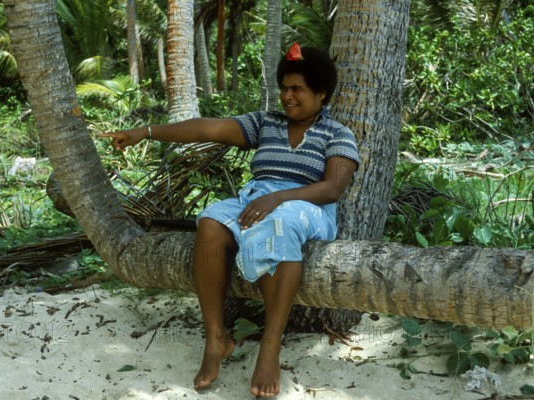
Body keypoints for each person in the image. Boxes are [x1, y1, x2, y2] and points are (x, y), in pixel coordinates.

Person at [100, 42, 359, 398]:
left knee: (278, 224)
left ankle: (270, 348)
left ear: (321, 92)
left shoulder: (338, 134)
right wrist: (145, 132)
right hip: (256, 200)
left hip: (306, 205)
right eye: (284, 87)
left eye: (297, 89)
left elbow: (332, 188)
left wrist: (279, 197)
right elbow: (207, 129)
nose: (287, 96)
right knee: (210, 223)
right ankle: (216, 338)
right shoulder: (265, 123)